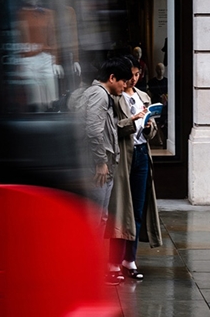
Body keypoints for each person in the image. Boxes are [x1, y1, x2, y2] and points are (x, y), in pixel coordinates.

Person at [72, 56, 133, 285]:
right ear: (112, 78)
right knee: (95, 220)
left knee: (99, 218)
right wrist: (100, 162)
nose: (124, 87)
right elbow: (94, 130)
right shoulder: (99, 95)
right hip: (97, 168)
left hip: (100, 166)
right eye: (123, 82)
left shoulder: (98, 94)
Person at [107, 55, 162, 282]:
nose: (134, 79)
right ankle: (113, 262)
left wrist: (149, 125)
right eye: (131, 75)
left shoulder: (143, 96)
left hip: (141, 154)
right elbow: (110, 129)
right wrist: (132, 120)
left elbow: (152, 132)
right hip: (123, 156)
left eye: (137, 74)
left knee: (138, 209)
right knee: (120, 210)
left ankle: (130, 259)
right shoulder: (114, 96)